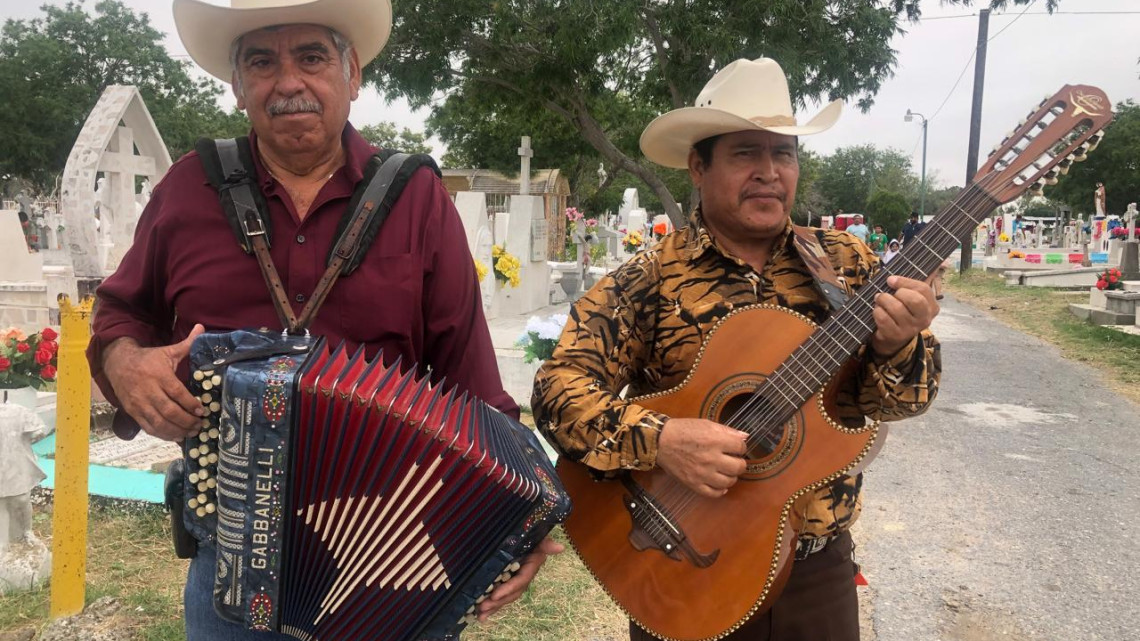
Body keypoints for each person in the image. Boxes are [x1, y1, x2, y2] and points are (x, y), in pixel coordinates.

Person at [86, 1, 559, 638]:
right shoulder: (190, 186)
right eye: (261, 61)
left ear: (351, 73)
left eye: (310, 57)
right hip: (227, 547)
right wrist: (126, 361)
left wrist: (517, 517)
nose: (287, 82)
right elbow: (122, 310)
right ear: (237, 86)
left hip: (391, 550)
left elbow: (469, 375)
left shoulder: (415, 195)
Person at [532, 58, 941, 641]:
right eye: (747, 153)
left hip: (817, 574)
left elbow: (903, 405)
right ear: (699, 167)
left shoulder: (849, 265)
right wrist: (664, 441)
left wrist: (901, 343)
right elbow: (555, 391)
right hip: (681, 566)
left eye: (785, 153)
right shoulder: (649, 279)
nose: (770, 172)